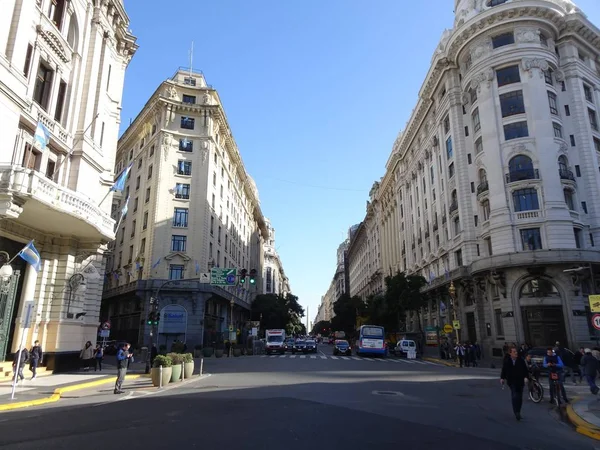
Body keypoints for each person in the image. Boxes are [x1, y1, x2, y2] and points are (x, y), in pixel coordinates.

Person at [500, 346, 529, 421]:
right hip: (511, 381)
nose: (516, 353)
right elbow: (504, 370)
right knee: (515, 395)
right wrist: (502, 378)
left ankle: (518, 411)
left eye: (516, 351)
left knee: (519, 397)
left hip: (520, 381)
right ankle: (516, 412)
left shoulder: (520, 360)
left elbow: (525, 370)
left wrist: (526, 377)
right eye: (514, 352)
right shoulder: (507, 361)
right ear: (510, 353)